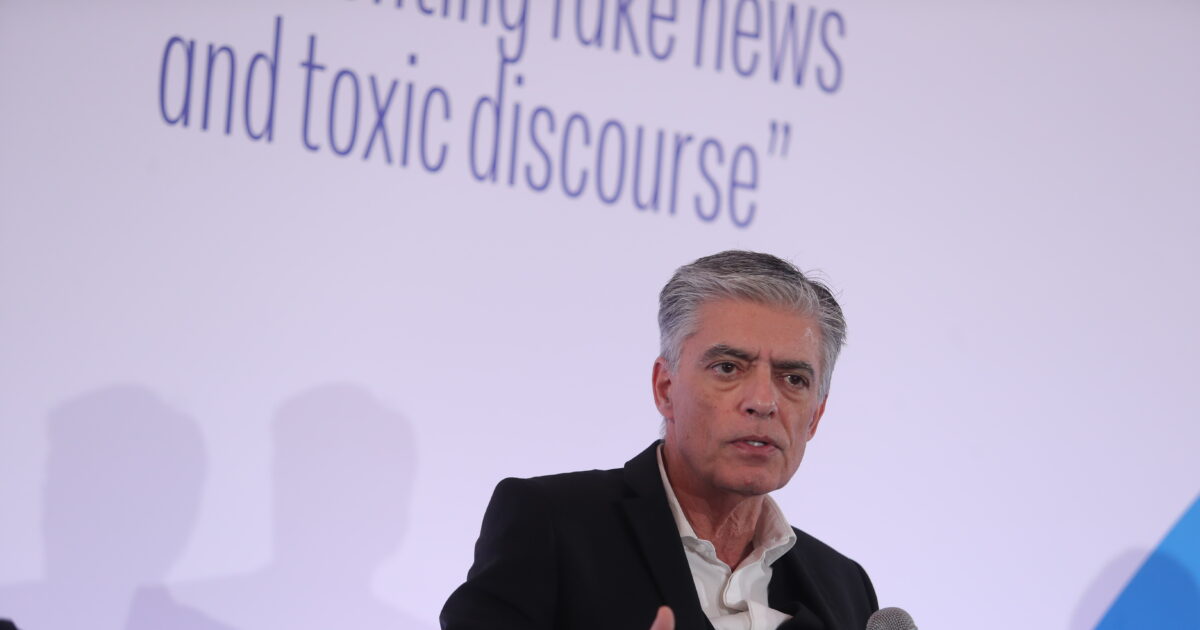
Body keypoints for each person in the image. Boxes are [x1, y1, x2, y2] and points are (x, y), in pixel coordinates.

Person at [441, 251, 878, 630]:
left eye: (794, 379)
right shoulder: (551, 524)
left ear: (815, 416)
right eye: (728, 368)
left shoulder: (845, 587)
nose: (763, 402)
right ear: (665, 389)